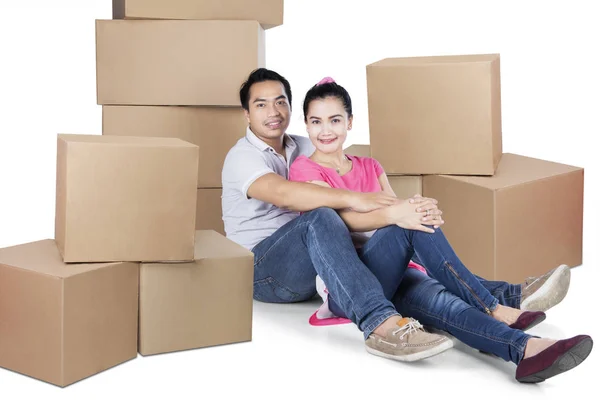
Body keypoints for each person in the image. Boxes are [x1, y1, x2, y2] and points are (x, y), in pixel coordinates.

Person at [221, 68, 591, 382]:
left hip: (342, 263)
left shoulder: (301, 145)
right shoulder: (245, 157)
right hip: (267, 268)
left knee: (436, 300)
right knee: (322, 215)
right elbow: (290, 196)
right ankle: (383, 322)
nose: (273, 111)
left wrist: (414, 209)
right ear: (246, 113)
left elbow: (354, 167)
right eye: (261, 103)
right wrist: (371, 203)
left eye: (280, 100)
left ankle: (526, 350)